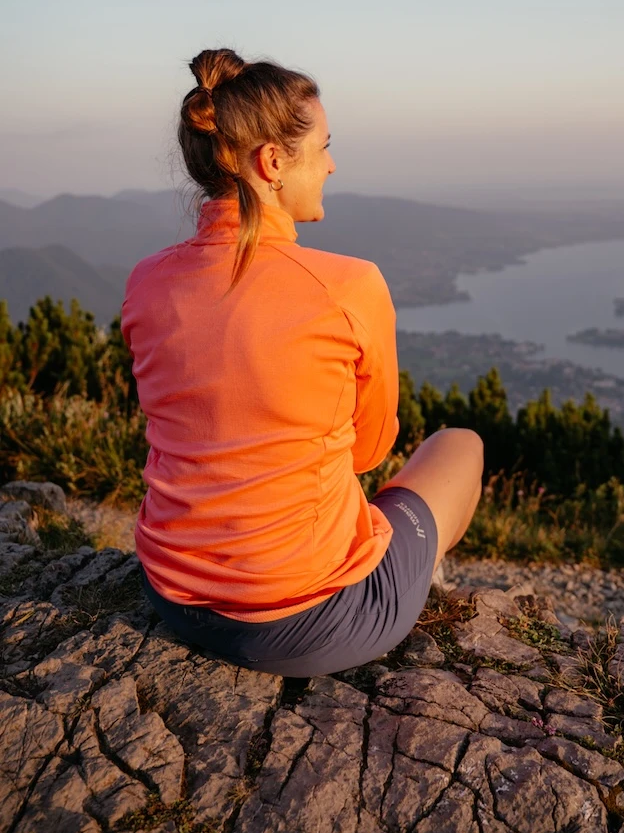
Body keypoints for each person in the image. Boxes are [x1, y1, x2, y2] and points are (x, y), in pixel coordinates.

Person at [122, 47, 483, 677]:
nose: (332, 164)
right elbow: (368, 452)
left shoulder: (146, 282)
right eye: (322, 148)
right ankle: (411, 576)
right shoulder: (347, 286)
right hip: (306, 623)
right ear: (272, 162)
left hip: (171, 594)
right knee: (461, 445)